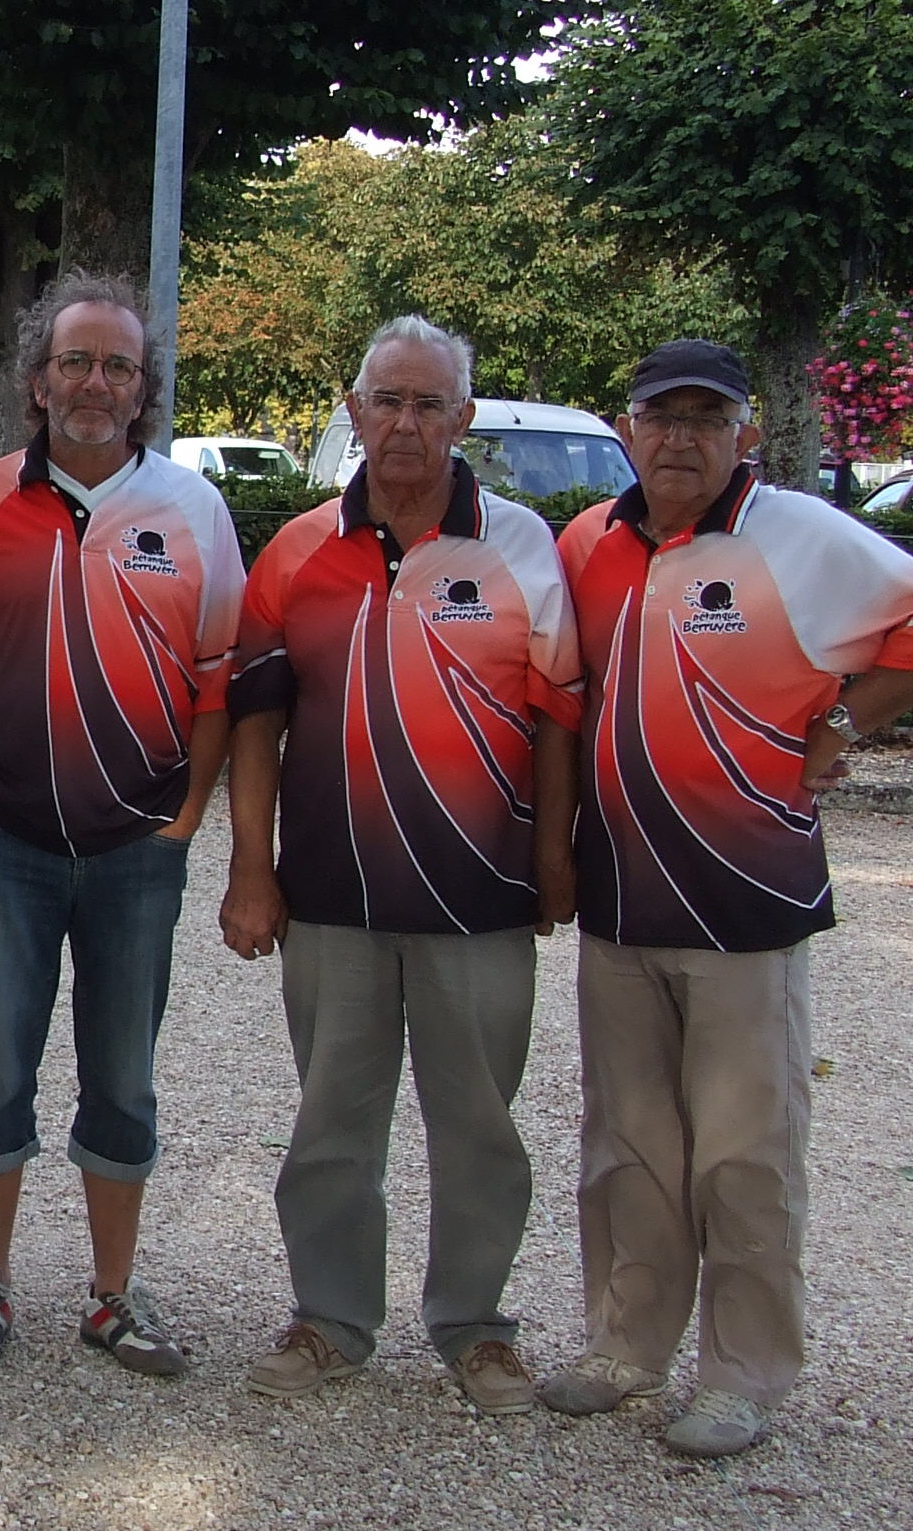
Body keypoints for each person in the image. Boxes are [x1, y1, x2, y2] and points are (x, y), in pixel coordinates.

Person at [539, 340, 913, 1457]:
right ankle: (625, 1344)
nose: (682, 438)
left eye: (708, 418)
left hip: (750, 899)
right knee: (627, 1141)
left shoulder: (796, 536)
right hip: (621, 894)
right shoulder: (584, 545)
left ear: (744, 433)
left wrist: (844, 722)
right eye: (662, 417)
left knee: (745, 1150)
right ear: (628, 428)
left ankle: (743, 1372)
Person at [220, 315, 582, 1417]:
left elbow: (558, 720)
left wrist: (554, 855)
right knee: (332, 1120)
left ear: (464, 419)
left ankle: (475, 1327)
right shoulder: (295, 550)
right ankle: (330, 1319)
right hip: (330, 893)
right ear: (353, 411)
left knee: (479, 1125)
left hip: (479, 896)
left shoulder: (522, 546)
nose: (407, 423)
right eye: (389, 401)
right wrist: (248, 867)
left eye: (430, 404)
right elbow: (253, 724)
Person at [0, 271, 244, 1372]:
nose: (93, 382)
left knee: (123, 1070)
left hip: (134, 849)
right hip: (5, 841)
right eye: (74, 362)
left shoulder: (193, 510)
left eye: (116, 365)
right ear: (37, 380)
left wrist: (185, 821)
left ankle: (111, 1291)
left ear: (141, 388)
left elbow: (215, 683)